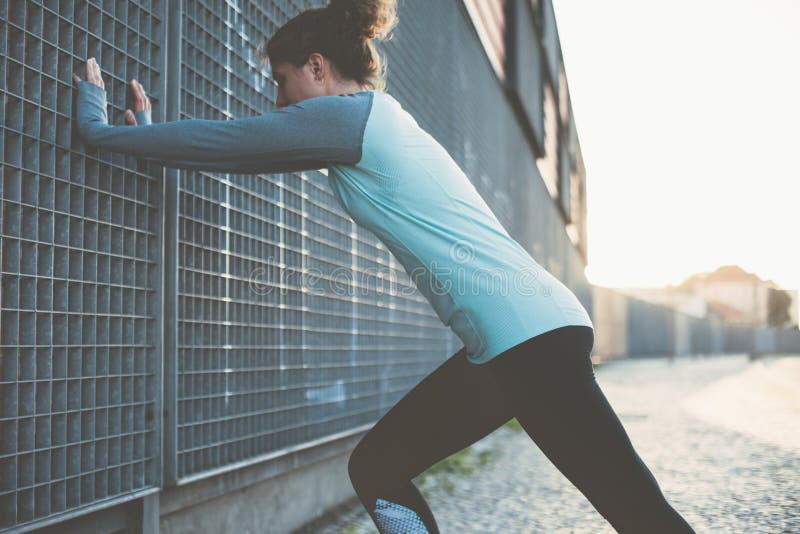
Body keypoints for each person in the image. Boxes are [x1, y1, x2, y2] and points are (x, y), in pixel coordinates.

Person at [72, 1, 695, 532]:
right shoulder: (370, 122)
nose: (279, 96)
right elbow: (232, 151)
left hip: (528, 340)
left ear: (318, 68)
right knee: (379, 466)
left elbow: (232, 143)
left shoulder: (352, 118)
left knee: (634, 507)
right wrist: (147, 144)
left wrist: (106, 134)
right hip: (517, 340)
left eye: (283, 79)